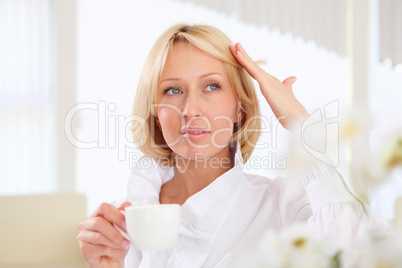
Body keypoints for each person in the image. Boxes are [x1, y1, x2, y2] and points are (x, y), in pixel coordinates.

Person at [77, 24, 386, 268]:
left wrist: (300, 124)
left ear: (240, 109)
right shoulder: (126, 218)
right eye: (173, 90)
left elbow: (358, 250)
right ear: (156, 114)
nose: (190, 109)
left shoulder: (287, 206)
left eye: (211, 86)